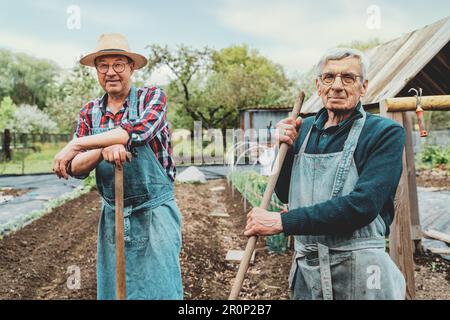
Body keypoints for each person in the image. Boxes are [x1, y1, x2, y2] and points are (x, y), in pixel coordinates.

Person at [244, 48, 406, 300]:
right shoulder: (303, 129)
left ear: (363, 87)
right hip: (308, 270)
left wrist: (282, 222)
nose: (337, 86)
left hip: (361, 270)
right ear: (318, 86)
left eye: (348, 78)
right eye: (329, 77)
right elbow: (285, 191)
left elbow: (362, 206)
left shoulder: (384, 132)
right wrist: (282, 149)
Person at [53, 33, 183, 300]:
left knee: (160, 290)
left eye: (118, 64)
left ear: (131, 67)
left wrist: (78, 144)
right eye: (103, 66)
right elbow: (77, 169)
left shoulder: (152, 98)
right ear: (97, 70)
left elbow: (138, 132)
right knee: (115, 291)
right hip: (113, 216)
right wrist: (102, 149)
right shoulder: (89, 112)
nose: (110, 72)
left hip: (154, 213)